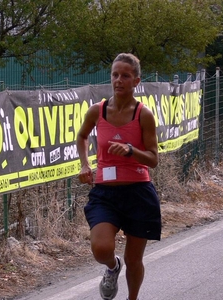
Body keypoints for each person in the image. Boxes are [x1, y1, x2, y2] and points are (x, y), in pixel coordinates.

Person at [76, 53, 161, 300]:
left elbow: (153, 159)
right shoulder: (97, 111)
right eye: (115, 75)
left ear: (136, 81)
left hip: (138, 192)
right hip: (105, 193)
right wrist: (84, 165)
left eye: (125, 76)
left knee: (134, 260)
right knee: (101, 248)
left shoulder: (143, 115)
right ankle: (112, 268)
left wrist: (131, 151)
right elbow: (81, 136)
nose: (118, 80)